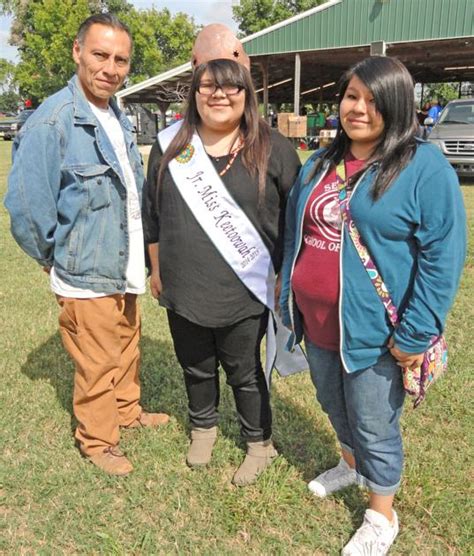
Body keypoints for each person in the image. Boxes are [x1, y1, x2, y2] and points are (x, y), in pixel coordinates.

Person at [280, 56, 466, 554]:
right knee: (332, 403)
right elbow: (297, 234)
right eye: (351, 96)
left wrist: (415, 333)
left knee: (373, 421)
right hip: (316, 322)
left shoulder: (423, 166)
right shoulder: (320, 161)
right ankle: (349, 464)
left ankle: (382, 515)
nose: (358, 108)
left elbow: (443, 256)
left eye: (372, 99)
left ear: (397, 104)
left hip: (376, 331)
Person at [5, 13, 169, 477]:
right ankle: (98, 442)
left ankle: (127, 411)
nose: (110, 68)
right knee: (97, 361)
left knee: (126, 345)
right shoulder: (53, 121)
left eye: (120, 60)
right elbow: (26, 206)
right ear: (77, 51)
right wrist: (52, 256)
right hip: (85, 270)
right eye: (100, 55)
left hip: (124, 262)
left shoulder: (117, 115)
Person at [143, 24, 301, 486]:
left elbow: (296, 223)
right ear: (194, 90)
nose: (219, 94)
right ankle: (203, 428)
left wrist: (282, 278)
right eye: (208, 85)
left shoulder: (275, 149)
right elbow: (153, 214)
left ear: (245, 91)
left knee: (244, 372)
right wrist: (156, 268)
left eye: (231, 85)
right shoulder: (170, 146)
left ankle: (259, 443)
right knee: (193, 365)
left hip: (244, 293)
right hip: (184, 285)